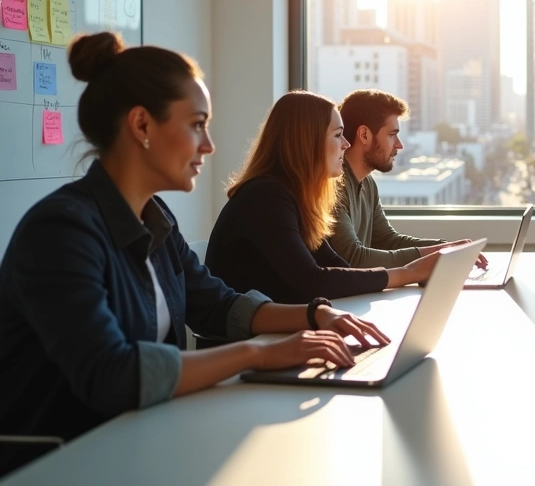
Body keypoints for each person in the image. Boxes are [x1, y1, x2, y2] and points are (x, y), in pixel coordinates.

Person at [0, 33, 387, 476]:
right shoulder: (61, 232)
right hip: (65, 462)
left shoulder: (154, 216)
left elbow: (215, 303)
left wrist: (315, 316)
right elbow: (113, 375)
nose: (209, 145)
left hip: (140, 440)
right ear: (142, 125)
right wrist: (257, 355)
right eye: (197, 124)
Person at [206, 91, 441, 304]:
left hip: (283, 332)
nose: (346, 144)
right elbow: (313, 280)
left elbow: (338, 265)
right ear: (308, 141)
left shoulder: (298, 195)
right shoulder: (267, 196)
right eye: (338, 135)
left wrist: (414, 268)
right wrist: (409, 273)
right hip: (247, 343)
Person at [331, 89, 486, 270]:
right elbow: (353, 257)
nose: (399, 144)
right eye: (392, 134)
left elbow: (386, 240)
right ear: (364, 135)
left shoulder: (367, 183)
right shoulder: (332, 185)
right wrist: (438, 253)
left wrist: (448, 247)